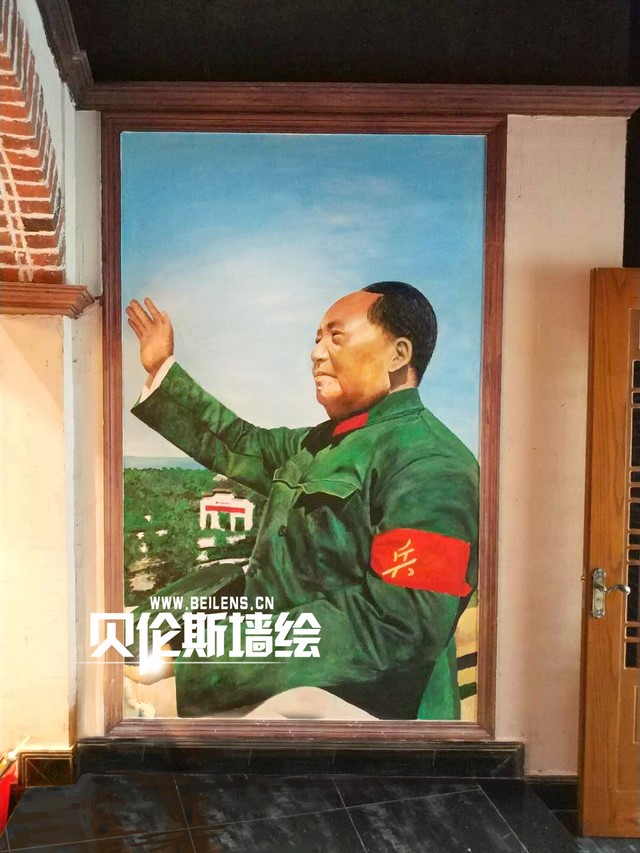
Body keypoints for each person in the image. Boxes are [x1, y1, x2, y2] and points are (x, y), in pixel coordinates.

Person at [124, 281, 478, 720]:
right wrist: (162, 369)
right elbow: (240, 443)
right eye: (316, 339)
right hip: (278, 693)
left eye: (336, 337)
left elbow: (394, 628)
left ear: (398, 354)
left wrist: (204, 659)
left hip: (369, 726)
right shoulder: (320, 444)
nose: (316, 353)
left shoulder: (431, 464)